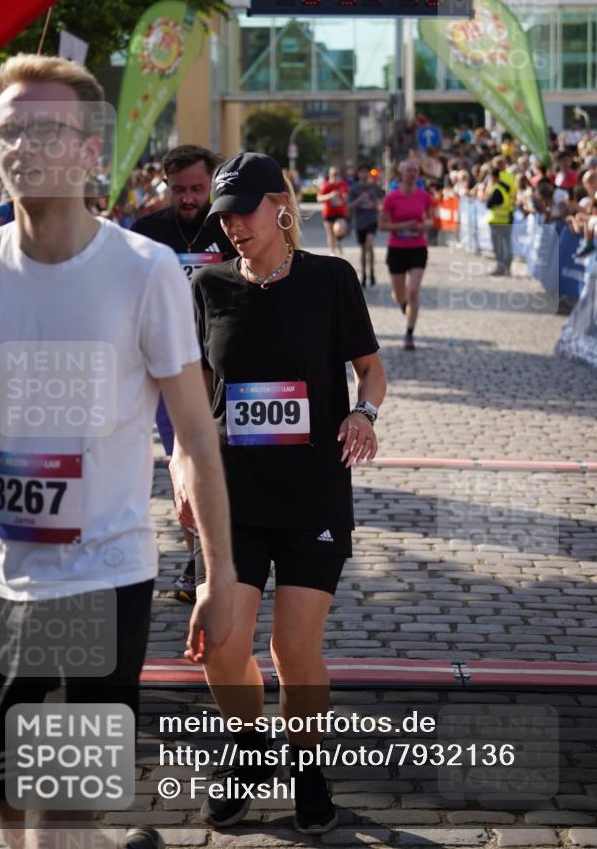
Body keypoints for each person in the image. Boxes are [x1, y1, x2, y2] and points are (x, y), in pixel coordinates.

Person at [0, 54, 236, 849]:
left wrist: (218, 574)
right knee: (6, 793)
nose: (22, 146)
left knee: (63, 801)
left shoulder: (142, 271)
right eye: (8, 130)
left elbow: (193, 434)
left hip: (103, 571)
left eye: (46, 129)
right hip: (4, 573)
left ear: (90, 150)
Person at [176, 151, 386, 834]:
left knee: (294, 650)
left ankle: (306, 762)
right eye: (224, 216)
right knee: (225, 644)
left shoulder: (329, 279)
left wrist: (363, 413)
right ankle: (247, 749)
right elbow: (191, 399)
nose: (234, 227)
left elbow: (370, 372)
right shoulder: (207, 287)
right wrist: (181, 468)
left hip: (312, 495)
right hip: (231, 497)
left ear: (279, 206)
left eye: (244, 212)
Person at [132, 144, 236, 603]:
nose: (189, 198)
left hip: (225, 365)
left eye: (197, 188)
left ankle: (213, 564)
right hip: (167, 370)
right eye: (179, 190)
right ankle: (199, 565)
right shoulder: (147, 232)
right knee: (183, 466)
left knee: (217, 463)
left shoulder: (230, 224)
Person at [379, 158, 433, 350]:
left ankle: (409, 333)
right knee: (399, 294)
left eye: (415, 171)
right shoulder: (392, 198)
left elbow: (431, 220)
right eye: (409, 170)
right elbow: (382, 225)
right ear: (401, 173)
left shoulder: (424, 196)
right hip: (397, 249)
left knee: (414, 290)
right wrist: (403, 226)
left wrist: (424, 226)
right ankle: (404, 305)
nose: (412, 174)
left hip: (418, 248)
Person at [347, 167, 385, 286]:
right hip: (359, 222)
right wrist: (359, 200)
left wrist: (377, 205)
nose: (364, 174)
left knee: (369, 244)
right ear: (358, 174)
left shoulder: (374, 187)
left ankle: (372, 271)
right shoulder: (354, 189)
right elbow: (349, 206)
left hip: (372, 220)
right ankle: (364, 274)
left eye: (366, 172)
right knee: (363, 249)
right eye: (362, 172)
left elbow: (384, 199)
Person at [485, 160, 517, 275]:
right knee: (506, 244)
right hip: (507, 218)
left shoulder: (497, 189)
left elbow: (488, 204)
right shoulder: (508, 183)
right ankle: (507, 267)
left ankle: (501, 267)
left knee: (499, 246)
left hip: (497, 221)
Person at [317, 165, 349, 255]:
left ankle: (338, 241)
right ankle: (332, 251)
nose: (335, 176)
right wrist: (329, 196)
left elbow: (347, 197)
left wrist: (345, 197)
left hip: (340, 212)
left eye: (337, 174)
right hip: (328, 213)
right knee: (330, 233)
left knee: (339, 228)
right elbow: (319, 198)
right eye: (333, 174)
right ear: (330, 175)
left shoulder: (343, 184)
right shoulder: (326, 185)